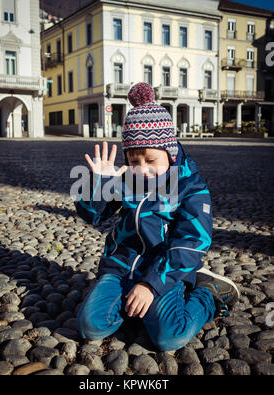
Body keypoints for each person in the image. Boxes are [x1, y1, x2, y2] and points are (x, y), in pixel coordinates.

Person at [73, 82, 239, 351]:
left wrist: (151, 286)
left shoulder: (191, 189)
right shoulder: (127, 178)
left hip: (163, 272)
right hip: (121, 269)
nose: (142, 170)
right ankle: (132, 305)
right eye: (134, 160)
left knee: (169, 337)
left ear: (170, 154)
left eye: (151, 160)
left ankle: (209, 294)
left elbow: (192, 243)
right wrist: (99, 183)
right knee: (90, 327)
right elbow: (93, 215)